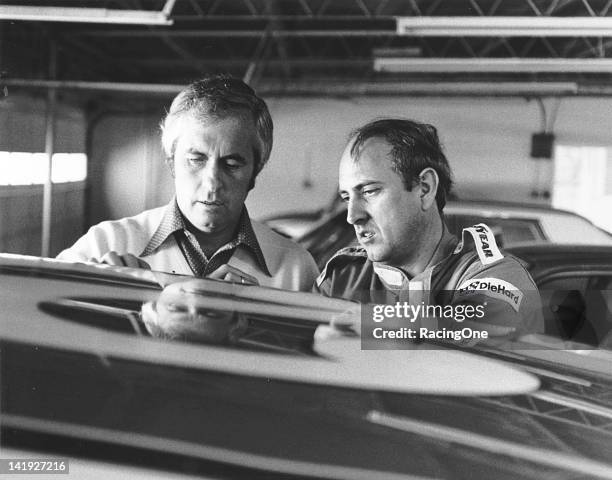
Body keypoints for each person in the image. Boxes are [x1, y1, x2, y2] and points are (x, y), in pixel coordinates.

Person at [58, 74, 318, 292]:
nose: (213, 182)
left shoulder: (296, 269)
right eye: (196, 159)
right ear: (171, 162)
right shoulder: (106, 245)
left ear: (255, 171)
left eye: (232, 164)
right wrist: (98, 294)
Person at [314, 118, 543, 341]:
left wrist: (377, 323)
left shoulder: (495, 273)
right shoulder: (341, 278)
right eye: (346, 198)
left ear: (424, 188)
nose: (353, 216)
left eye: (370, 191)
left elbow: (485, 329)